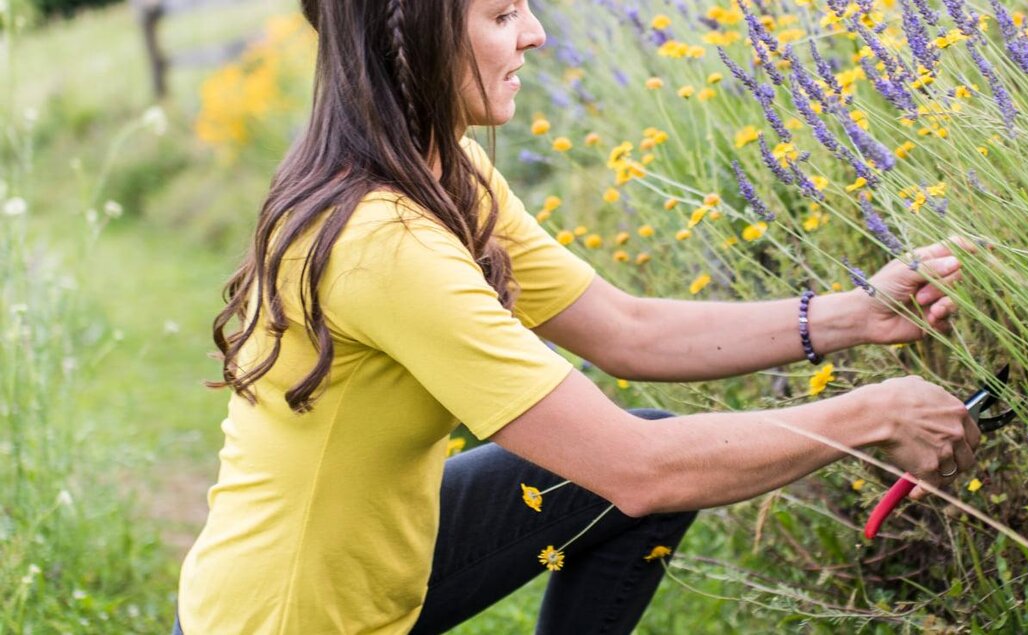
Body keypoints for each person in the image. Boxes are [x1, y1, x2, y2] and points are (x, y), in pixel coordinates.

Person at [173, 0, 981, 633]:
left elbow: (627, 330)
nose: (538, 36)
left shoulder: (440, 170)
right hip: (290, 620)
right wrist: (869, 413)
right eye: (500, 16)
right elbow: (639, 466)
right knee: (650, 469)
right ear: (410, 39)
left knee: (647, 464)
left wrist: (860, 314)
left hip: (381, 563)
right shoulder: (383, 242)